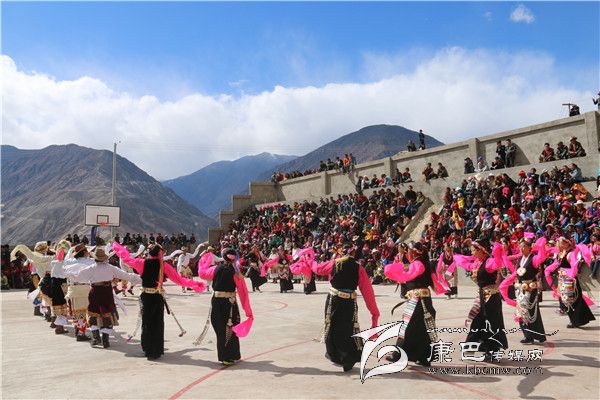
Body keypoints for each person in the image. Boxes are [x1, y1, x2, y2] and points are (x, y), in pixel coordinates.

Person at [113, 242, 205, 359]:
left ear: (149, 253)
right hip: (157, 296)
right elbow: (178, 280)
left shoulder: (142, 262)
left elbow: (127, 259)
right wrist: (195, 284)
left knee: (146, 322)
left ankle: (147, 349)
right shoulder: (164, 265)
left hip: (146, 296)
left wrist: (117, 248)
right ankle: (156, 350)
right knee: (157, 322)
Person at [310, 242, 379, 372]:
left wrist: (311, 260)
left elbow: (318, 269)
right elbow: (367, 291)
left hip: (334, 300)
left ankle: (336, 355)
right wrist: (374, 312)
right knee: (348, 328)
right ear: (354, 253)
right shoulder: (358, 268)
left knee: (332, 326)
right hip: (349, 301)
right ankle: (348, 358)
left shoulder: (334, 263)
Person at [64, 247, 142, 348]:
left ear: (95, 258)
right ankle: (105, 340)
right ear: (105, 258)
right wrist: (141, 278)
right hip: (107, 292)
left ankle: (96, 338)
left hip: (95, 292)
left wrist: (68, 273)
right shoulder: (111, 268)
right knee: (107, 314)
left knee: (93, 314)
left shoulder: (91, 268)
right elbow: (126, 275)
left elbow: (78, 277)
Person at [384, 242, 444, 367]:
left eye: (408, 251)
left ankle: (399, 355)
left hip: (418, 301)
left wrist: (396, 270)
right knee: (422, 329)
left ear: (413, 252)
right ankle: (423, 357)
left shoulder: (418, 264)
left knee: (407, 328)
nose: (407, 254)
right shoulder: (423, 264)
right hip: (422, 300)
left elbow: (406, 275)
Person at [451, 239, 508, 359]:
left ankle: (492, 351)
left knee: (492, 323)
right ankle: (472, 347)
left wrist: (497, 251)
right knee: (477, 321)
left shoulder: (489, 262)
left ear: (481, 250)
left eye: (474, 250)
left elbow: (498, 263)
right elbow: (464, 263)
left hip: (491, 298)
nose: (472, 252)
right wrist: (456, 252)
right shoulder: (477, 263)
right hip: (482, 296)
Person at [198, 248, 253, 365]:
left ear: (223, 257)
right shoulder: (236, 273)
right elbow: (243, 293)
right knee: (231, 328)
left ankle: (225, 356)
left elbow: (202, 274)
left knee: (220, 329)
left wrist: (205, 258)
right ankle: (232, 355)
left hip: (216, 301)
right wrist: (248, 311)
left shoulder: (215, 269)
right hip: (230, 303)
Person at [500, 238, 550, 344]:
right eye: (520, 246)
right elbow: (516, 271)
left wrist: (541, 245)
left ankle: (535, 335)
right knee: (521, 311)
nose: (521, 248)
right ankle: (528, 336)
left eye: (524, 246)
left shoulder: (534, 258)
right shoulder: (520, 259)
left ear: (529, 248)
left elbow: (542, 257)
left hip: (531, 289)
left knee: (530, 312)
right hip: (521, 289)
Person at [544, 237, 595, 328]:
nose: (559, 245)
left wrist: (570, 277)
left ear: (567, 243)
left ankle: (575, 321)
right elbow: (556, 264)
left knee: (572, 300)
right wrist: (548, 270)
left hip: (570, 281)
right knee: (568, 300)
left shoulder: (570, 253)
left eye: (561, 243)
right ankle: (578, 320)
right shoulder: (561, 254)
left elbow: (574, 267)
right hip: (563, 280)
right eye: (558, 243)